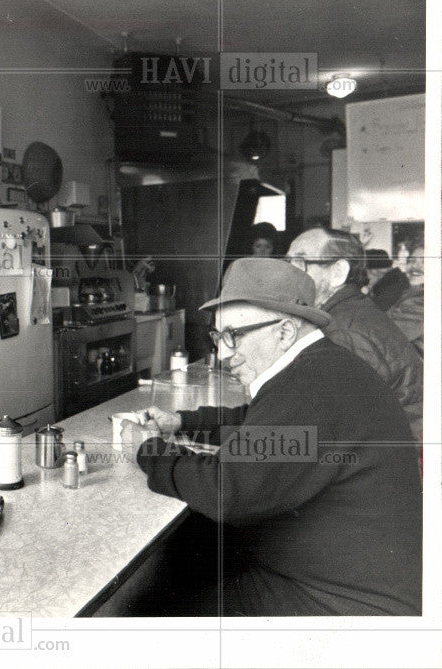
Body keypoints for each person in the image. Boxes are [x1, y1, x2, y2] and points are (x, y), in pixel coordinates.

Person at [129, 258, 422, 616]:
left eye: (233, 336)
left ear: (284, 332)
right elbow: (261, 424)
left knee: (150, 611)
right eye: (217, 337)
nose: (223, 353)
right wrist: (183, 421)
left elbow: (225, 490)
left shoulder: (306, 387)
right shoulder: (323, 366)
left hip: (340, 605)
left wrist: (148, 450)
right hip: (353, 583)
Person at [285, 227, 422, 439]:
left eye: (301, 263)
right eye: (288, 262)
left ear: (338, 272)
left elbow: (336, 430)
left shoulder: (341, 333)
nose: (289, 273)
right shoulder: (349, 311)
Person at [388, 244, 424, 356]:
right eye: (412, 260)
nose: (415, 266)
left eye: (424, 262)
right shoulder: (411, 291)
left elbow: (387, 336)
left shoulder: (423, 301)